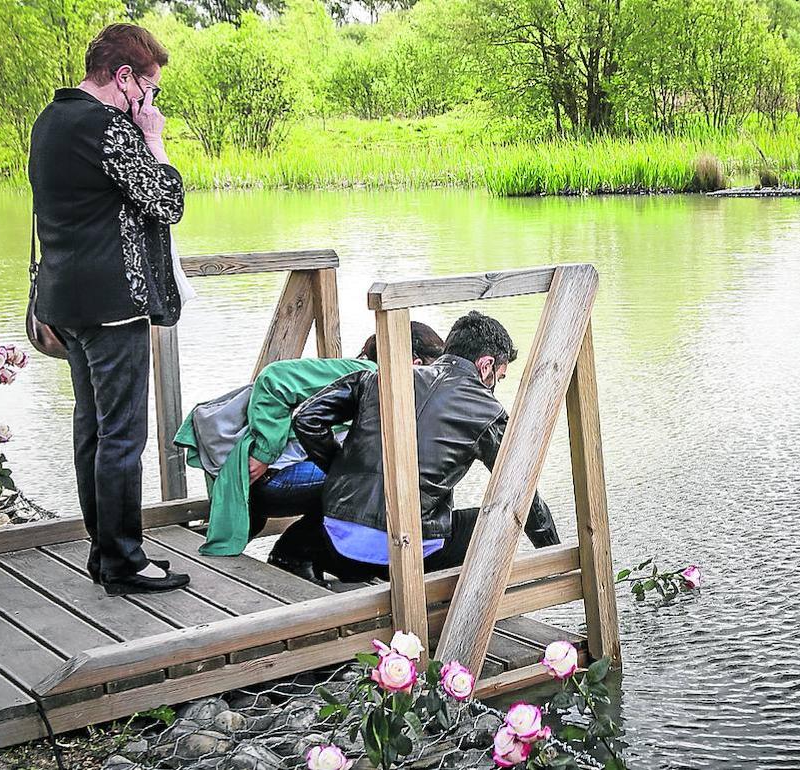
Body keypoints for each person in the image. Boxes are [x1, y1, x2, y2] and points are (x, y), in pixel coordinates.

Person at [29, 23, 189, 595]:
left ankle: (104, 555)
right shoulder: (109, 128)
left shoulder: (49, 121)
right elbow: (167, 201)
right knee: (121, 437)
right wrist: (153, 137)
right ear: (125, 79)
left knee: (91, 431)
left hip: (64, 302)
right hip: (114, 304)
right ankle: (123, 560)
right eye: (151, 89)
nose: (152, 102)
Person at [291, 311, 561, 582]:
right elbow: (523, 494)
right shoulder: (487, 412)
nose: (494, 388)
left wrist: (340, 467)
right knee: (500, 519)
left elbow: (305, 418)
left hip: (337, 547)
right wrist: (556, 556)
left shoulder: (378, 378)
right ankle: (461, 609)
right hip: (408, 556)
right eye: (498, 378)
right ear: (486, 365)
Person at [173, 323, 444, 576]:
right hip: (268, 478)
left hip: (284, 477)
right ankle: (293, 552)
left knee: (374, 473)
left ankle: (308, 555)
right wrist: (263, 453)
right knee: (376, 480)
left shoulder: (390, 392)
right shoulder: (365, 373)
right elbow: (273, 379)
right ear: (415, 364)